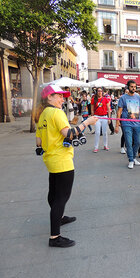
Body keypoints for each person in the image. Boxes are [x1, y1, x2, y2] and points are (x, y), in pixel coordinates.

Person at [35, 85, 97, 247]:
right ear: (49, 97)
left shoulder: (43, 115)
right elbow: (69, 134)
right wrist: (87, 122)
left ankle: (59, 218)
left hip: (51, 159)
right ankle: (54, 237)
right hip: (62, 161)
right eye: (59, 96)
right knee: (61, 198)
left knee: (54, 193)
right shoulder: (56, 113)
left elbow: (39, 142)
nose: (63, 99)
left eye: (63, 96)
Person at [115, 80, 140, 169]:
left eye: (135, 87)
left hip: (137, 123)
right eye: (132, 86)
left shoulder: (138, 97)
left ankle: (133, 156)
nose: (133, 88)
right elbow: (119, 111)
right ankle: (131, 160)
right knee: (128, 142)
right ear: (128, 87)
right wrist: (117, 125)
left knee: (138, 142)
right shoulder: (123, 98)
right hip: (126, 123)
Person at [91, 87, 111, 152]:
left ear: (102, 92)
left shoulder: (105, 99)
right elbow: (92, 109)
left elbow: (109, 109)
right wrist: (92, 117)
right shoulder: (93, 99)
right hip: (97, 117)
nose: (99, 92)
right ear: (96, 92)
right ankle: (96, 147)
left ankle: (105, 145)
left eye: (100, 91)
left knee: (105, 132)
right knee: (97, 132)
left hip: (104, 117)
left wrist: (109, 118)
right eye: (98, 91)